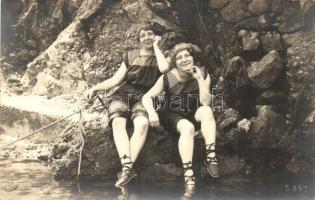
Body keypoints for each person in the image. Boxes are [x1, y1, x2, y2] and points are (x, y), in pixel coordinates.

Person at [85, 24, 169, 186]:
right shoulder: (130, 56)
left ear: (156, 37)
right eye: (143, 35)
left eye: (150, 34)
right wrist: (95, 87)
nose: (146, 37)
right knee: (118, 121)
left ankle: (125, 170)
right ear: (138, 40)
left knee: (143, 123)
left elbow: (165, 70)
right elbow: (116, 80)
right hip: (124, 93)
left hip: (146, 97)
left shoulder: (161, 57)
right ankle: (127, 169)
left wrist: (157, 46)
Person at [142, 42, 219, 187]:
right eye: (179, 58)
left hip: (193, 111)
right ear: (175, 63)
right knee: (187, 127)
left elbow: (205, 102)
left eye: (187, 56)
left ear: (193, 58)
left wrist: (199, 79)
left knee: (207, 111)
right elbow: (146, 97)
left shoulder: (203, 73)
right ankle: (188, 173)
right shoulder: (168, 77)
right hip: (172, 113)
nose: (184, 60)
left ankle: (211, 157)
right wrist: (151, 112)